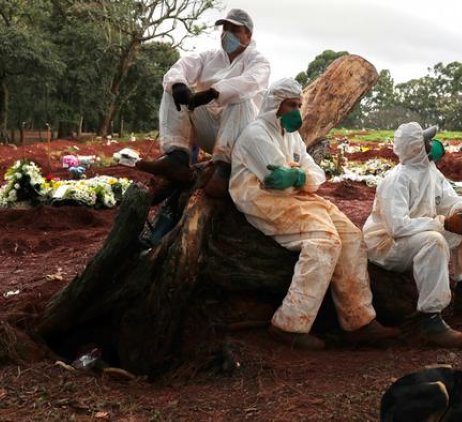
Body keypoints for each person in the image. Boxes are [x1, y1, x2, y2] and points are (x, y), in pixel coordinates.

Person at [229, 78, 399, 350]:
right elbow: (277, 184)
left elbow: (318, 176)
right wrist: (301, 177)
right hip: (261, 199)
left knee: (352, 237)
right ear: (275, 105)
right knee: (324, 242)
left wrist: (297, 175)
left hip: (297, 197)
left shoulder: (291, 136)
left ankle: (358, 320)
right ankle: (289, 324)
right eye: (290, 105)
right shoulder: (256, 135)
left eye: (299, 104)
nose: (296, 110)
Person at [363, 122, 462, 349]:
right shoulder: (396, 180)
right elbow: (398, 228)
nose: (433, 145)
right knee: (434, 241)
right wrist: (443, 223)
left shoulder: (430, 171)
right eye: (427, 141)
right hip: (386, 246)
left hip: (418, 232)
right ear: (416, 148)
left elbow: (450, 199)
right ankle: (430, 320)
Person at [136, 8, 271, 198]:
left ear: (248, 35)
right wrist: (179, 85)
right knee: (173, 89)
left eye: (234, 30)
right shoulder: (209, 57)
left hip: (242, 137)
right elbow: (180, 68)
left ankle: (223, 170)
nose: (227, 34)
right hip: (212, 133)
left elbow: (251, 82)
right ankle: (177, 158)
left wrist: (214, 92)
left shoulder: (258, 61)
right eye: (225, 28)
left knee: (241, 98)